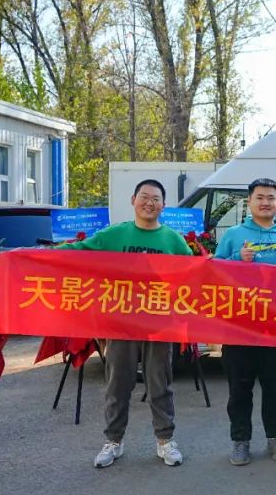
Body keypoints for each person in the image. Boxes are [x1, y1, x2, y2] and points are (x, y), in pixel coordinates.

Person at [59, 179, 193, 468]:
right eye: (144, 197)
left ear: (163, 206)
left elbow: (196, 274)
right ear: (133, 200)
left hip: (160, 324)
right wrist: (33, 256)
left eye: (155, 199)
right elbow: (78, 251)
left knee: (160, 383)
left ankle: (165, 440)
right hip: (121, 323)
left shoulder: (173, 241)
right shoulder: (115, 235)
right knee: (118, 382)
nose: (149, 203)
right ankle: (113, 441)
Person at [214, 178, 276, 466]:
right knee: (239, 388)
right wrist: (236, 258)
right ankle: (240, 441)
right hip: (239, 325)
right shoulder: (234, 235)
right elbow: (214, 272)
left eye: (271, 198)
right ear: (250, 201)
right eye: (260, 197)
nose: (265, 202)